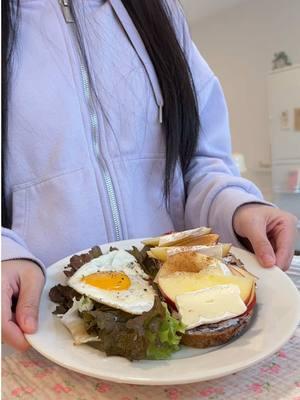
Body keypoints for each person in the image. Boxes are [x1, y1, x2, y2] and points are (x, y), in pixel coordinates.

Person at [2, 0, 297, 352]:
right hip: (38, 331)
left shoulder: (160, 11)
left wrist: (236, 206)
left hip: (181, 338)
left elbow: (199, 160)